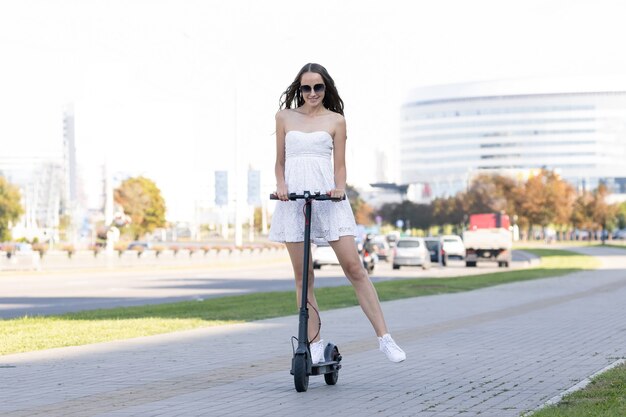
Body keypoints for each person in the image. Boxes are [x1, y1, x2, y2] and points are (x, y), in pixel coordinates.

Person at [269, 63, 406, 363]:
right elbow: (280, 162)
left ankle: (385, 338)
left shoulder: (336, 121)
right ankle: (314, 344)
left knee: (354, 269)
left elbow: (339, 166)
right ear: (299, 89)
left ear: (326, 88)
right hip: (294, 201)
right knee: (303, 277)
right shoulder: (285, 117)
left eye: (318, 87)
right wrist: (281, 185)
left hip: (328, 199)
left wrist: (339, 187)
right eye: (306, 88)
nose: (312, 93)